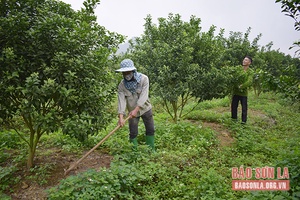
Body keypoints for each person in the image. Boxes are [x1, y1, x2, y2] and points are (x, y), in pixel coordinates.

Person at [115, 59, 155, 151]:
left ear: (133, 70)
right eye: (124, 72)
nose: (126, 74)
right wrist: (121, 117)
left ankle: (151, 151)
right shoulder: (122, 85)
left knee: (150, 129)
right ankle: (134, 152)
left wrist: (136, 110)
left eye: (128, 72)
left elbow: (144, 96)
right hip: (131, 112)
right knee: (133, 132)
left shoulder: (144, 79)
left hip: (145, 108)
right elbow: (121, 101)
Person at [231, 56, 254, 124]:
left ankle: (243, 121)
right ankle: (234, 119)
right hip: (236, 91)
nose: (244, 61)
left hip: (243, 93)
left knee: (244, 108)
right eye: (244, 59)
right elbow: (234, 78)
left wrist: (241, 86)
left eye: (246, 60)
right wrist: (236, 85)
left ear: (249, 63)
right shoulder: (238, 69)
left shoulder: (250, 72)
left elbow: (249, 81)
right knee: (234, 106)